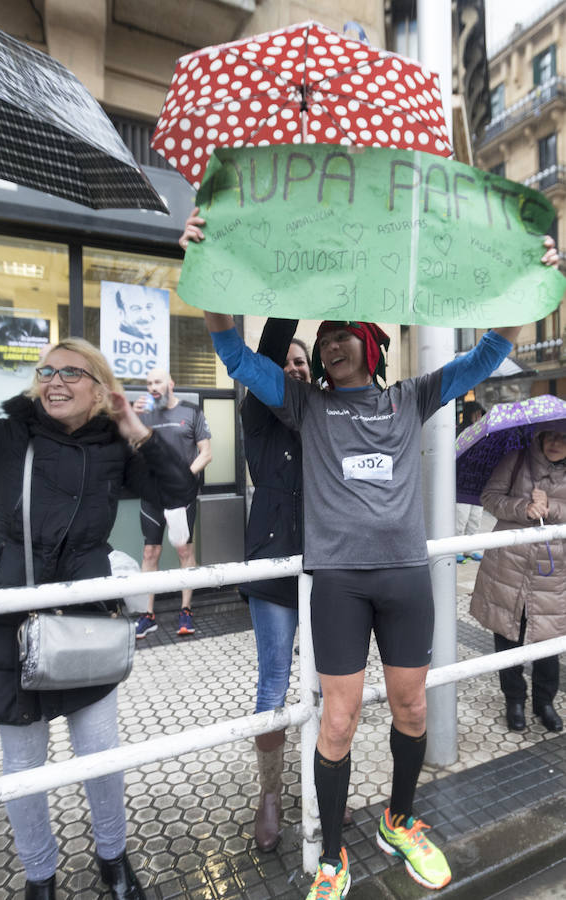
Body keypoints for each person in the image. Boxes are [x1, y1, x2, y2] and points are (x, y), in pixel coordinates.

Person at [201, 237, 558, 900]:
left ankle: (399, 818)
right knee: (335, 722)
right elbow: (229, 353)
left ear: (370, 344)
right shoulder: (301, 402)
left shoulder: (409, 398)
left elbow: (487, 353)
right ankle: (333, 854)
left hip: (402, 580)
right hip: (336, 581)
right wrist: (209, 269)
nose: (330, 343)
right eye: (324, 335)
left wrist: (533, 288)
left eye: (343, 334)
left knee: (411, 708)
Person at [0, 279, 197, 900]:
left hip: (84, 615)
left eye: (71, 372)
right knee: (25, 767)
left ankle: (114, 860)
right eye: (46, 370)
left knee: (100, 756)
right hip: (9, 616)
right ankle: (40, 876)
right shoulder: (9, 433)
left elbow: (178, 494)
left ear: (99, 386)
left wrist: (136, 424)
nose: (54, 381)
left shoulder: (115, 446)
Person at [181, 210, 351, 852]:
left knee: (333, 680)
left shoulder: (330, 413)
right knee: (274, 682)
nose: (301, 369)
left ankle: (327, 783)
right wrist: (293, 259)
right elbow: (269, 351)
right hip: (275, 566)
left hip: (333, 566)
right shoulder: (259, 409)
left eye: (309, 364)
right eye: (292, 362)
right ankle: (272, 793)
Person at [470, 428, 566, 734]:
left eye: (564, 438)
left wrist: (552, 508)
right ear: (540, 436)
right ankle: (514, 699)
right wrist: (523, 507)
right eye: (551, 435)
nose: (555, 443)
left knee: (548, 637)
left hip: (553, 569)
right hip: (508, 564)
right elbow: (490, 497)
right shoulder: (516, 459)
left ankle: (544, 702)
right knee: (507, 632)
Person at [132, 368, 212, 637]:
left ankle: (186, 610)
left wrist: (181, 477)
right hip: (153, 495)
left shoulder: (191, 412)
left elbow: (206, 453)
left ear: (171, 383)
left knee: (183, 552)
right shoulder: (144, 414)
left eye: (158, 381)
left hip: (181, 496)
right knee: (149, 553)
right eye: (149, 383)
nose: (153, 387)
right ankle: (147, 614)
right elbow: (130, 450)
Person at [455, 400, 486, 563]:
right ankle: (455, 550)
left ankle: (470, 548)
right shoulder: (460, 431)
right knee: (461, 518)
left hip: (478, 481)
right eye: (476, 413)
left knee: (475, 518)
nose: (479, 416)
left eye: (481, 413)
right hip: (462, 482)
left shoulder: (482, 432)